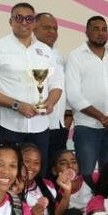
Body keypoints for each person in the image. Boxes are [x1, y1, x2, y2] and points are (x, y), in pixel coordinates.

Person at [0, 2, 63, 162]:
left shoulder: (46, 50)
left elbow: (56, 84)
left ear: (34, 23)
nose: (24, 22)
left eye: (29, 18)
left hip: (40, 126)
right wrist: (16, 105)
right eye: (19, 18)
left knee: (38, 172)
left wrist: (50, 102)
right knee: (7, 171)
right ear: (10, 21)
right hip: (8, 126)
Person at [65, 15, 108, 186]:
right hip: (87, 128)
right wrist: (102, 117)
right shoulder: (76, 56)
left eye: (104, 29)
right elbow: (73, 95)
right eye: (96, 29)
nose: (101, 33)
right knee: (85, 175)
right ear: (86, 31)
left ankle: (104, 203)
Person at [33, 13, 70, 163]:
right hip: (38, 123)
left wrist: (67, 118)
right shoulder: (29, 53)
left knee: (56, 168)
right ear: (34, 28)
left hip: (59, 124)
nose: (52, 32)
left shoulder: (58, 54)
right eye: (47, 27)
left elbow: (62, 87)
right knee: (38, 166)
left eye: (55, 28)